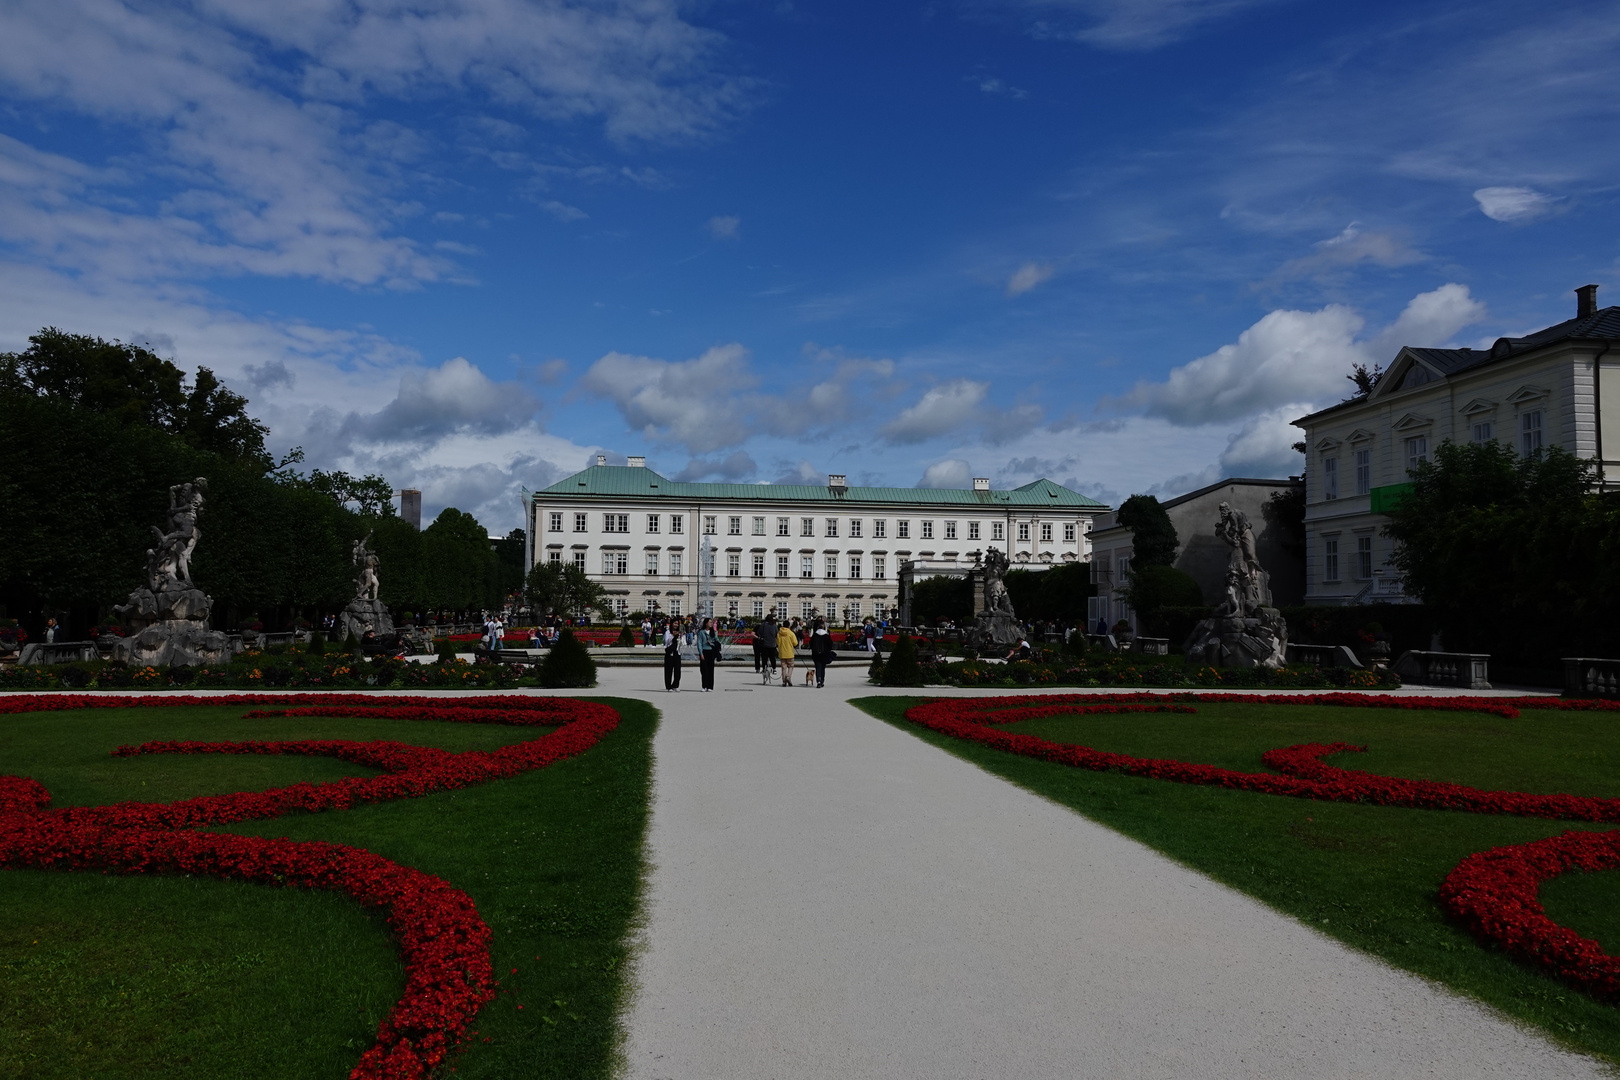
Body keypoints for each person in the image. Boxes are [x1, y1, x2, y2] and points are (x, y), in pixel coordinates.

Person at [808, 618, 834, 688]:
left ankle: (819, 680)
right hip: (824, 654)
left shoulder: (815, 635)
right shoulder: (826, 636)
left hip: (816, 654)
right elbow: (831, 645)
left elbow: (810, 644)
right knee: (823, 668)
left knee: (818, 667)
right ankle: (821, 680)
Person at [698, 617, 721, 692]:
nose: (711, 623)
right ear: (706, 623)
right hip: (704, 651)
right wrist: (701, 653)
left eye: (711, 622)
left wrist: (711, 643)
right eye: (710, 622)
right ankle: (704, 686)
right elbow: (699, 643)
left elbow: (717, 642)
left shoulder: (713, 632)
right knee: (703, 669)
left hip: (711, 652)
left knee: (711, 669)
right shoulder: (701, 632)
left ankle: (710, 686)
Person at [775, 619, 799, 688]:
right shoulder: (791, 633)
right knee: (791, 666)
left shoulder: (779, 633)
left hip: (782, 653)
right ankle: (788, 676)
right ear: (789, 626)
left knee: (783, 667)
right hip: (789, 653)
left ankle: (783, 681)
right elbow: (795, 643)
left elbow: (777, 643)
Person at [663, 621, 682, 691]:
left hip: (677, 653)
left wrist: (681, 638)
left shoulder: (679, 632)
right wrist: (673, 636)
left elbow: (682, 643)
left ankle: (675, 685)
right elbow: (666, 642)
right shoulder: (668, 632)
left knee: (677, 671)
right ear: (671, 624)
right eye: (675, 623)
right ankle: (668, 686)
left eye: (677, 624)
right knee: (668, 671)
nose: (676, 625)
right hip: (670, 653)